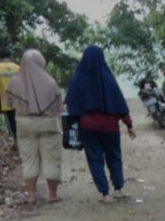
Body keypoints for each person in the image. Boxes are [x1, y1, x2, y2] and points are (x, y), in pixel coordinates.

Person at [65, 45, 136, 203]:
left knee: (95, 159)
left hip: (88, 127)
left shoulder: (78, 77)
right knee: (114, 157)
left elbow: (70, 102)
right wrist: (129, 125)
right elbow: (119, 103)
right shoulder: (108, 77)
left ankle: (105, 194)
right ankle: (118, 189)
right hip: (110, 127)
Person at [7, 49, 64, 205]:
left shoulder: (14, 81)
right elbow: (59, 107)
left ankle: (31, 195)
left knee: (29, 160)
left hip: (25, 124)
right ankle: (52, 195)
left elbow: (11, 104)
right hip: (48, 124)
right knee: (51, 159)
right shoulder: (51, 82)